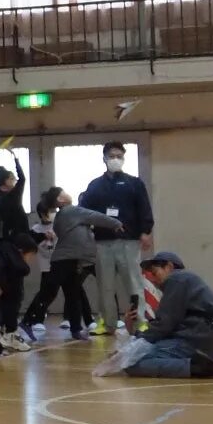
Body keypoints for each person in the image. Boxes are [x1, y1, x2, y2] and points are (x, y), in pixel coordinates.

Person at [118, 252, 213, 379]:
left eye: (155, 273)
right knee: (134, 356)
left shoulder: (177, 279)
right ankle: (198, 365)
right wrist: (133, 332)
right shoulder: (187, 281)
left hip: (194, 341)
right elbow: (167, 324)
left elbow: (164, 325)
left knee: (131, 362)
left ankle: (195, 367)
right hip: (208, 345)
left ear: (169, 266)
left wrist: (133, 343)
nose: (153, 280)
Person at [79, 141, 155, 335]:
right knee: (105, 285)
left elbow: (144, 208)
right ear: (104, 159)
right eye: (112, 156)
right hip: (102, 242)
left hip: (129, 241)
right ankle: (107, 323)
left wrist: (145, 231)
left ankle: (140, 322)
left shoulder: (134, 183)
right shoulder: (95, 185)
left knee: (134, 283)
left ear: (123, 158)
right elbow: (84, 212)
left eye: (119, 156)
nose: (115, 159)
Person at [41, 186, 124, 341]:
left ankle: (78, 327)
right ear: (60, 199)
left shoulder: (64, 215)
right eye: (64, 192)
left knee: (73, 293)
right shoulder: (72, 211)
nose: (67, 193)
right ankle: (30, 321)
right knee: (57, 292)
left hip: (77, 259)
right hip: (69, 259)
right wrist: (116, 223)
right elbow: (95, 217)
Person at [0, 233, 39, 352]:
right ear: (21, 252)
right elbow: (13, 298)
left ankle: (1, 336)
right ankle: (7, 336)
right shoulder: (16, 265)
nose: (30, 261)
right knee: (3, 307)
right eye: (30, 256)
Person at [0, 153, 27, 240]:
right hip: (4, 238)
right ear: (2, 186)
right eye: (10, 179)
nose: (14, 181)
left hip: (14, 235)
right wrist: (16, 159)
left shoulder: (5, 197)